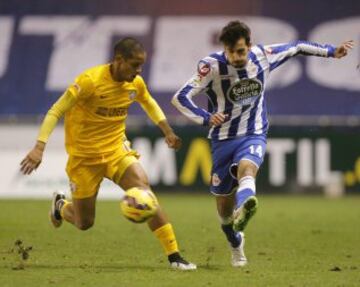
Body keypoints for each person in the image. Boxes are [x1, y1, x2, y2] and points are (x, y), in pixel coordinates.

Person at [172, 20, 353, 267]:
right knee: (224, 212)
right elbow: (180, 97)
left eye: (240, 51)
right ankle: (235, 241)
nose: (235, 57)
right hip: (222, 140)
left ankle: (247, 202)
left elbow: (297, 46)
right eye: (230, 51)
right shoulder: (211, 67)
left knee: (248, 168)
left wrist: (331, 51)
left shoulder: (263, 56)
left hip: (253, 132)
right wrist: (205, 117)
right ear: (224, 49)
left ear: (250, 45)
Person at [20, 37, 196, 271]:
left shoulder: (135, 84)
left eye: (141, 65)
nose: (138, 70)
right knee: (84, 223)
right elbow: (56, 111)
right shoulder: (89, 81)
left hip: (116, 151)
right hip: (84, 159)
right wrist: (39, 147)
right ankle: (61, 206)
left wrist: (167, 130)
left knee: (145, 192)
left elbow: (149, 102)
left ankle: (174, 256)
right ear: (119, 60)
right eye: (134, 64)